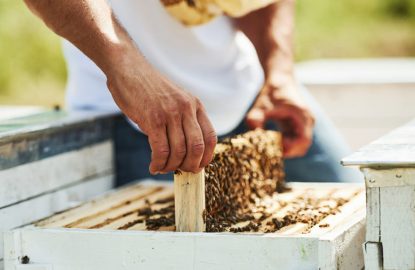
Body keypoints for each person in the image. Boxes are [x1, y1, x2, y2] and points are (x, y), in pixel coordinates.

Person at [24, 0, 361, 186]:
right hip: (137, 123)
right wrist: (127, 68)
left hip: (256, 101)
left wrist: (280, 71)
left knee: (363, 216)